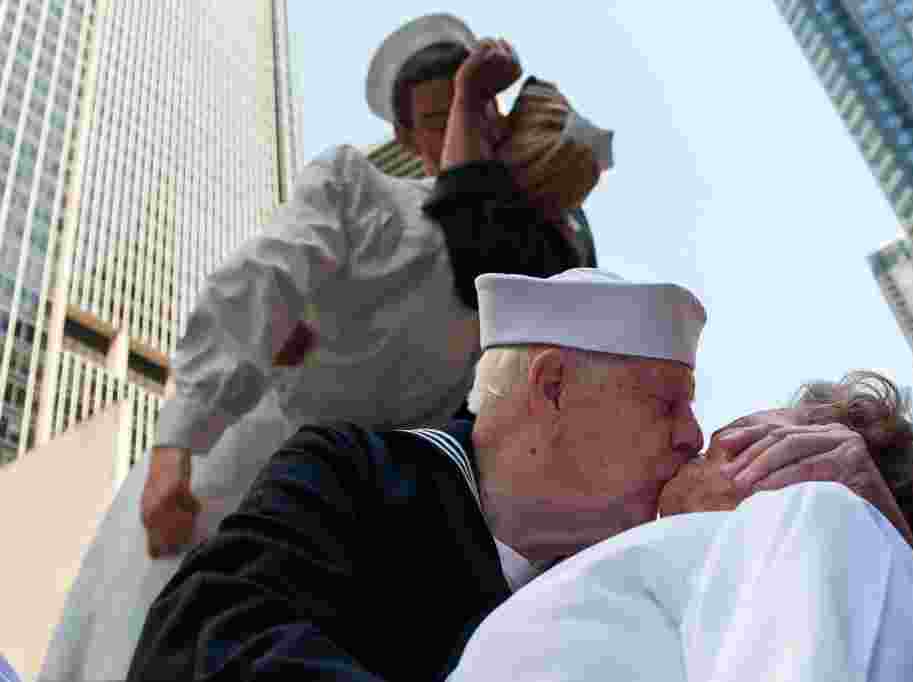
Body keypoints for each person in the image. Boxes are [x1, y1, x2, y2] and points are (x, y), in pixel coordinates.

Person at [40, 17, 609, 682]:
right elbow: (256, 288)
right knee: (144, 638)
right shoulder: (358, 188)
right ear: (405, 137)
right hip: (230, 472)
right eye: (434, 115)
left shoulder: (510, 261)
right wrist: (177, 447)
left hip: (349, 513)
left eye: (478, 105)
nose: (460, 123)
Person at [124, 269, 913, 681]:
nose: (693, 434)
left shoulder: (668, 555)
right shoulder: (361, 474)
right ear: (551, 385)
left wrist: (895, 562)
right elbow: (201, 642)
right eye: (668, 401)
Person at [448, 372, 913, 680]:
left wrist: (871, 535)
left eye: (739, 436)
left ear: (816, 463)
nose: (702, 440)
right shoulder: (693, 575)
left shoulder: (826, 519)